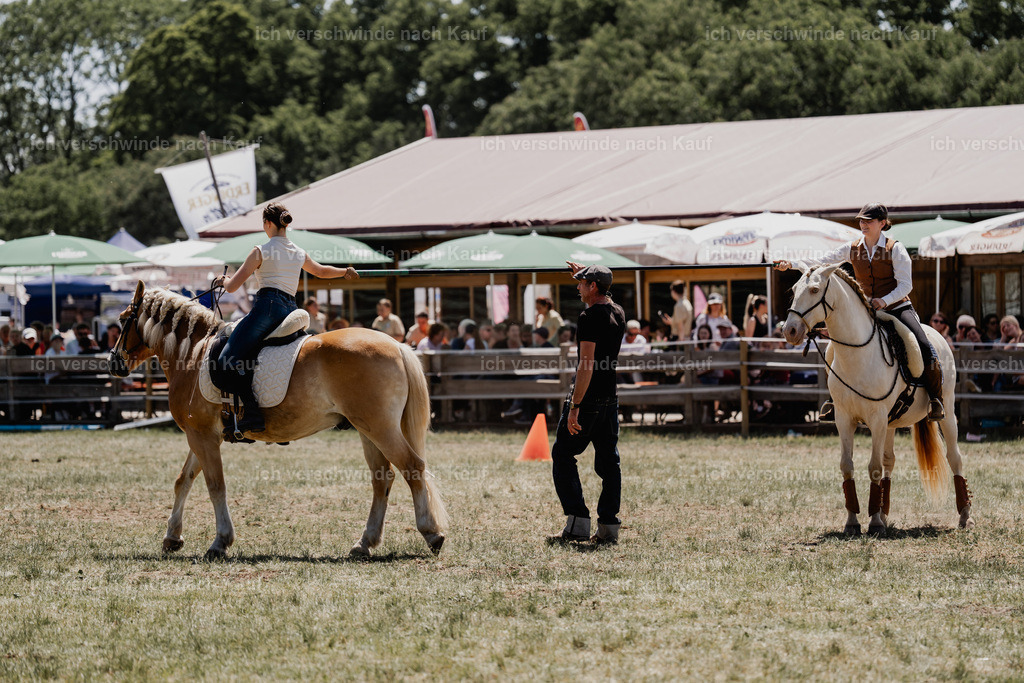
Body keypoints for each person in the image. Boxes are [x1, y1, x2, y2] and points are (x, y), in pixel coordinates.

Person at [776, 202, 943, 422]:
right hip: (868, 311)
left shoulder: (895, 248)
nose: (863, 224)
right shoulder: (852, 248)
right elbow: (821, 262)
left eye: (868, 221)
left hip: (897, 308)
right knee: (834, 350)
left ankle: (935, 400)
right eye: (861, 221)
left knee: (923, 346)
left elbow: (905, 285)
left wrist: (884, 301)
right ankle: (838, 401)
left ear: (882, 223)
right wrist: (792, 264)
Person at [212, 202, 359, 435]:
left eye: (263, 224)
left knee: (225, 360)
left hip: (266, 308)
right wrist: (344, 271)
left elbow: (232, 287)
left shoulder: (260, 250)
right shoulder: (298, 252)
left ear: (268, 224)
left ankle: (251, 412)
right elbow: (321, 271)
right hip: (290, 309)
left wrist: (223, 280)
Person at [547, 263, 625, 546]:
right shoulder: (617, 312)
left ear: (593, 287)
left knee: (563, 454)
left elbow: (586, 365)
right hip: (610, 400)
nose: (577, 286)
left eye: (582, 282)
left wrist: (575, 406)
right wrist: (591, 273)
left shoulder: (589, 316)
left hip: (589, 401)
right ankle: (608, 528)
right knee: (609, 463)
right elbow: (607, 296)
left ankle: (578, 523)